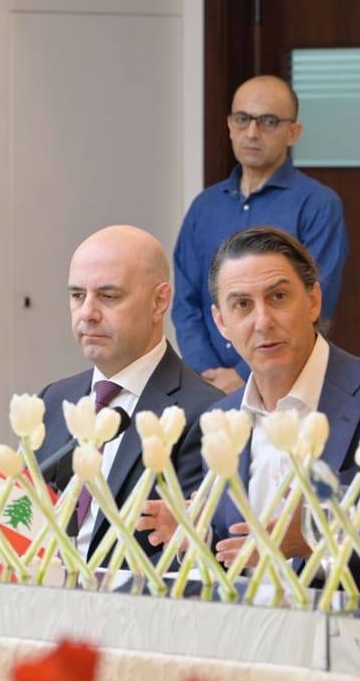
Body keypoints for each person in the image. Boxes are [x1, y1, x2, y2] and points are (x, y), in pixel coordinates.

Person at [154, 227, 360, 588]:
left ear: (313, 301)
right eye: (242, 305)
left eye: (278, 297)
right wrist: (196, 539)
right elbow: (238, 554)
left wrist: (319, 541)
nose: (263, 322)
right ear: (221, 323)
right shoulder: (219, 421)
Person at [35, 226, 223, 561]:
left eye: (109, 297)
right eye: (77, 296)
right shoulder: (53, 400)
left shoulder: (206, 415)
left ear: (159, 301)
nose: (87, 313)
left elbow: (186, 560)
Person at [174, 75, 349, 396]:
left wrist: (243, 375)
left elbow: (315, 300)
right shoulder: (205, 206)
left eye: (268, 121)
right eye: (243, 119)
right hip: (208, 386)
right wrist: (205, 372)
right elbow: (186, 301)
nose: (252, 133)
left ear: (293, 132)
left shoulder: (318, 205)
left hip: (287, 382)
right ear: (230, 125)